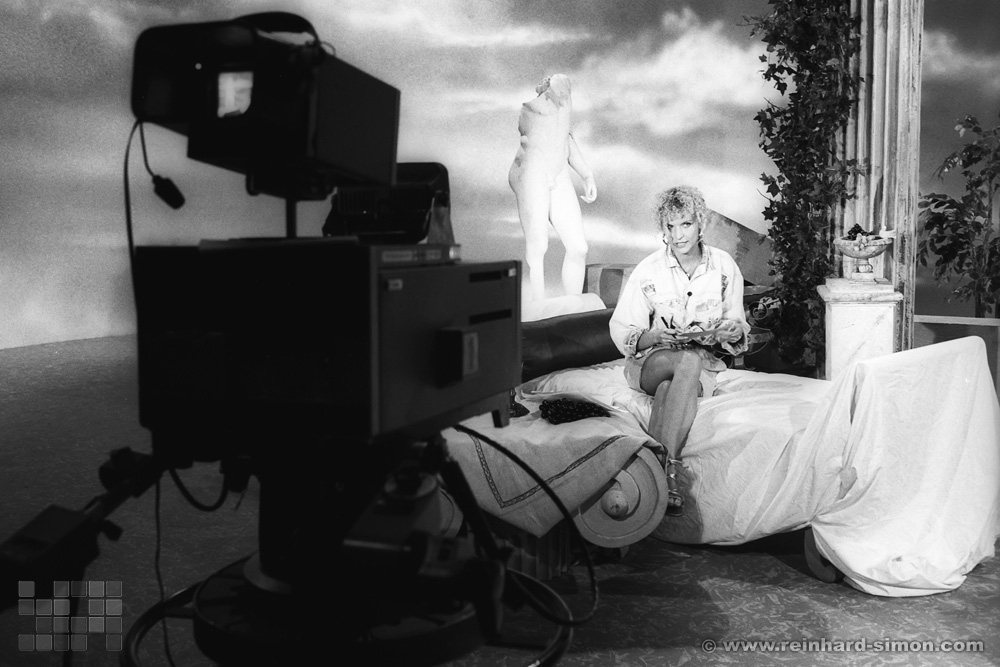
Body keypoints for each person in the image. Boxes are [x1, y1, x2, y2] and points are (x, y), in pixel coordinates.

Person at [609, 186, 750, 516]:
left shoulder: (724, 267)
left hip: (702, 368)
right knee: (684, 361)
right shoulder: (649, 270)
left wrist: (731, 331)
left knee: (670, 389)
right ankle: (669, 470)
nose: (677, 235)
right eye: (669, 227)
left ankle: (656, 469)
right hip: (652, 361)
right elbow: (622, 331)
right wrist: (655, 335)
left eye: (685, 224)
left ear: (701, 224)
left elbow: (736, 326)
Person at [509, 74, 597, 302]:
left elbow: (565, 140)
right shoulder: (532, 111)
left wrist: (587, 175)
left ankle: (574, 304)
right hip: (532, 168)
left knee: (578, 247)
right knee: (538, 245)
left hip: (557, 171)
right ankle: (537, 302)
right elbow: (536, 144)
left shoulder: (564, 106)